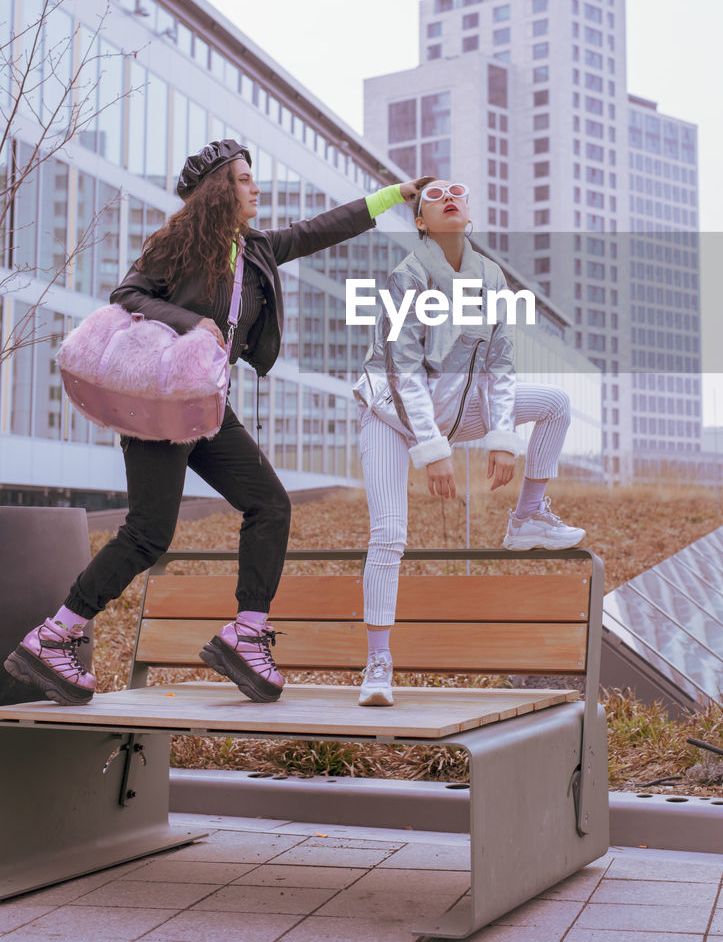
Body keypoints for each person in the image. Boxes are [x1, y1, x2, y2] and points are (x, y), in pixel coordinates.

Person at [4, 140, 430, 706]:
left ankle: (246, 634)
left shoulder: (255, 251)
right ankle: (54, 637)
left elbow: (323, 228)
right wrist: (193, 323)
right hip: (159, 404)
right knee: (148, 532)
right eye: (246, 179)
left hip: (204, 406)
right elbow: (126, 295)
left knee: (270, 503)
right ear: (220, 189)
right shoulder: (179, 244)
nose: (256, 188)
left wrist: (395, 197)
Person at [352, 180, 585, 707]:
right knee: (389, 532)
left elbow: (501, 363)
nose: (449, 198)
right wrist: (433, 451)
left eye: (458, 192)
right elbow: (400, 369)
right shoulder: (407, 276)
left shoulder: (491, 276)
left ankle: (527, 518)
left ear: (470, 211)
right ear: (420, 222)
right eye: (435, 196)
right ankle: (378, 664)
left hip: (458, 406)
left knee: (553, 403)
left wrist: (503, 438)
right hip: (390, 413)